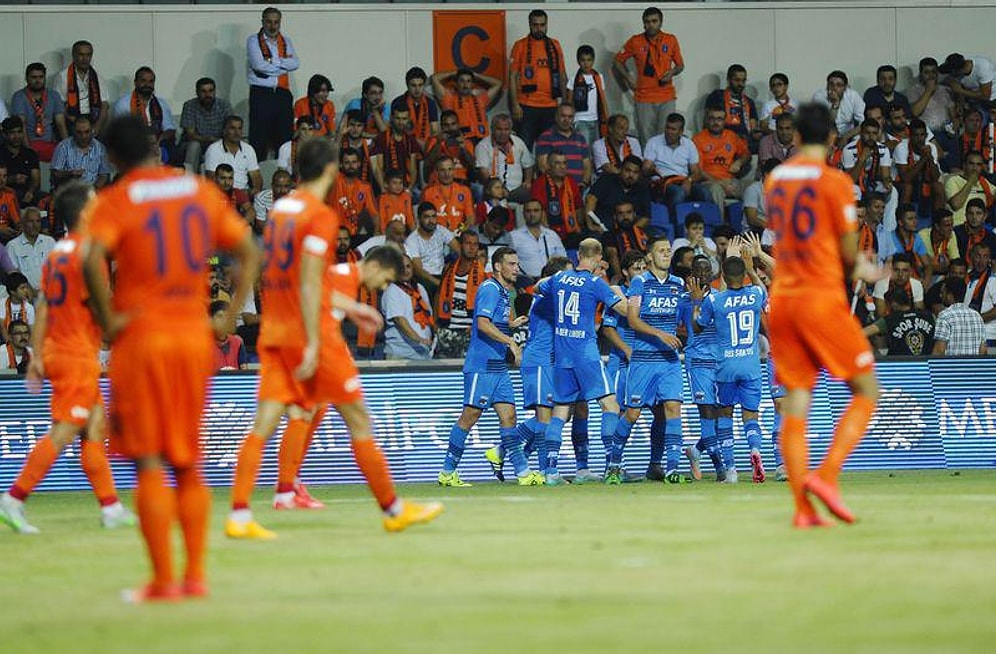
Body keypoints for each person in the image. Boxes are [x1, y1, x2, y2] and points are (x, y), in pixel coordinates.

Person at [82, 115, 259, 601]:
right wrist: (229, 315)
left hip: (141, 340)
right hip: (191, 340)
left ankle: (163, 582)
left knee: (149, 463)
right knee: (187, 462)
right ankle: (196, 577)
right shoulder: (194, 190)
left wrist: (109, 319)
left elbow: (88, 257)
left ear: (113, 158)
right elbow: (247, 247)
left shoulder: (115, 200)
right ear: (156, 146)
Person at [764, 102, 890, 528]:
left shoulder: (776, 179)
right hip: (820, 296)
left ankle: (802, 510)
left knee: (797, 403)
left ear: (795, 136)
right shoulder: (836, 183)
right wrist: (862, 268)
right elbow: (847, 248)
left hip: (782, 299)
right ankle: (828, 477)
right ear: (833, 139)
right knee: (866, 389)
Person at [1, 185, 134, 534]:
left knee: (93, 427)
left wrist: (36, 353)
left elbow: (44, 304)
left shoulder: (59, 253)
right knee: (64, 431)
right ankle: (13, 499)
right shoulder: (90, 254)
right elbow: (101, 307)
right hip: (75, 354)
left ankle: (111, 507)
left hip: (65, 351)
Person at [288, 246, 445, 527]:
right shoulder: (345, 275)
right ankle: (393, 509)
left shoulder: (343, 276)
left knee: (311, 414)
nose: (383, 286)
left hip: (321, 350)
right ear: (376, 267)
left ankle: (288, 486)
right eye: (385, 280)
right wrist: (355, 310)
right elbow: (309, 293)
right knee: (359, 422)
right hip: (324, 354)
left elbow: (320, 310)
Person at [438, 247, 541, 486]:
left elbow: (495, 321)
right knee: (470, 416)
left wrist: (511, 325)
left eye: (517, 264)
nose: (517, 269)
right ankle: (447, 472)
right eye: (512, 264)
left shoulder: (505, 293)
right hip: (482, 365)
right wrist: (510, 342)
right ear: (498, 266)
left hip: (497, 368)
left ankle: (524, 474)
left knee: (509, 417)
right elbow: (482, 324)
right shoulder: (489, 288)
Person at [536, 238, 627, 484]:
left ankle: (551, 472)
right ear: (598, 258)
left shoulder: (558, 279)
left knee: (561, 412)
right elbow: (624, 310)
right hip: (586, 354)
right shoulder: (596, 283)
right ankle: (613, 468)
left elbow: (537, 287)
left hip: (562, 356)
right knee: (611, 406)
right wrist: (623, 295)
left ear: (578, 256)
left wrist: (547, 281)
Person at [606, 236, 689, 483]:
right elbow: (632, 319)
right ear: (650, 256)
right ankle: (613, 465)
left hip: (669, 362)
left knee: (673, 409)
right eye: (661, 250)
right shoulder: (639, 283)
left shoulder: (678, 283)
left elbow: (687, 317)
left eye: (669, 251)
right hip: (643, 360)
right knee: (632, 414)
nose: (666, 254)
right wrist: (660, 334)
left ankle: (672, 469)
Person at [692, 254, 767, 483]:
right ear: (744, 275)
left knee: (725, 414)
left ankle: (731, 470)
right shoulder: (755, 293)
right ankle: (754, 450)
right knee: (750, 415)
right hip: (751, 365)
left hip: (725, 367)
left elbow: (697, 327)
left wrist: (696, 301)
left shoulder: (715, 301)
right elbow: (761, 288)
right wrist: (752, 271)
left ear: (722, 276)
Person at [614, 6, 684, 147]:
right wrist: (628, 79)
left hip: (666, 97)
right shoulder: (635, 41)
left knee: (668, 136)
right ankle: (648, 168)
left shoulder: (671, 40)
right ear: (643, 23)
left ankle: (664, 167)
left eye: (654, 21)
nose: (651, 25)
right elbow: (617, 61)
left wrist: (671, 73)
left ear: (661, 22)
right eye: (647, 21)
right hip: (644, 97)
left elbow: (680, 65)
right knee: (647, 138)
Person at [508, 9, 567, 149]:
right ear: (529, 25)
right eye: (535, 25)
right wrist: (515, 105)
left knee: (549, 149)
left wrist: (565, 103)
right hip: (526, 106)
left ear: (547, 25)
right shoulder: (520, 45)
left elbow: (562, 75)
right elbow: (512, 76)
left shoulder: (555, 45)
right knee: (524, 148)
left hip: (551, 106)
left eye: (542, 25)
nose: (539, 28)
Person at [246, 6, 299, 159]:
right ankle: (256, 179)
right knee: (259, 139)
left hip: (282, 94)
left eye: (276, 22)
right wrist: (282, 67)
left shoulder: (286, 41)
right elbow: (258, 65)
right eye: (268, 22)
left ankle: (284, 177)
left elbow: (295, 63)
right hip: (261, 94)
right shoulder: (253, 40)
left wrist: (271, 62)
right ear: (262, 22)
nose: (272, 26)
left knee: (284, 139)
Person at [435, 230, 487, 359]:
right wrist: (436, 325)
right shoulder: (448, 269)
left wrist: (476, 326)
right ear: (460, 245)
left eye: (475, 244)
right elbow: (438, 296)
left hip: (469, 331)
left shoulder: (483, 274)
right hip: (446, 330)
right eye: (468, 243)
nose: (471, 247)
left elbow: (486, 305)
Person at [112, 67, 177, 164]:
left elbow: (170, 129)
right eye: (143, 81)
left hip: (157, 144)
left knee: (172, 150)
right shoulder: (123, 103)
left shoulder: (161, 104)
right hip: (134, 144)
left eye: (151, 81)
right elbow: (121, 131)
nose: (147, 84)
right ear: (135, 82)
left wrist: (158, 141)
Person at [693, 106, 751, 207]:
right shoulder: (698, 139)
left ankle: (754, 221)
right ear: (707, 120)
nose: (716, 122)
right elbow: (699, 172)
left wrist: (739, 162)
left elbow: (747, 154)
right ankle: (718, 222)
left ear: (725, 121)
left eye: (719, 119)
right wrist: (720, 183)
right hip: (709, 182)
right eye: (712, 118)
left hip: (730, 181)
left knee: (755, 187)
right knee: (716, 189)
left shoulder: (731, 136)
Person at [11, 63, 68, 163]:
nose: (37, 81)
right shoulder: (19, 96)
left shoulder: (54, 95)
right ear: (26, 78)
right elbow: (21, 124)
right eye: (33, 77)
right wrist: (27, 150)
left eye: (41, 77)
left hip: (49, 143)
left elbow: (60, 124)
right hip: (29, 143)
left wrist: (68, 148)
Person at [431, 68, 502, 146]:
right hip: (461, 142)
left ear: (472, 84)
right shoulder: (449, 99)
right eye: (462, 81)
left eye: (468, 81)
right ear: (456, 83)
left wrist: (475, 75)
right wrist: (455, 73)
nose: (465, 84)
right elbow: (435, 78)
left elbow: (498, 83)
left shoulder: (480, 99)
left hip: (482, 141)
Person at [383, 254, 435, 361]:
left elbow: (429, 315)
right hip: (401, 354)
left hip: (423, 352)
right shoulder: (392, 291)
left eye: (408, 266)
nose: (405, 270)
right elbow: (400, 320)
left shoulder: (420, 288)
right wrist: (419, 339)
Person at [474, 114, 535, 203]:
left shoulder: (518, 142)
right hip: (493, 190)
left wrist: (527, 181)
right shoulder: (483, 146)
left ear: (511, 130)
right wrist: (500, 190)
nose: (503, 133)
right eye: (499, 129)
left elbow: (528, 164)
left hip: (517, 190)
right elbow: (484, 173)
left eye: (506, 129)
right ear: (492, 129)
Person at [179, 77, 232, 173]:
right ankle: (191, 181)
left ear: (215, 91)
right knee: (194, 146)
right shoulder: (189, 105)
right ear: (197, 92)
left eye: (211, 91)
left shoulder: (224, 105)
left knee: (229, 144)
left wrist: (217, 142)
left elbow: (231, 129)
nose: (208, 95)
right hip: (194, 143)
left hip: (218, 142)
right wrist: (210, 139)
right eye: (203, 91)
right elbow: (191, 135)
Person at [586, 155, 651, 232]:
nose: (631, 175)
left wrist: (632, 233)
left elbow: (646, 217)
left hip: (630, 230)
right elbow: (590, 200)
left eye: (635, 172)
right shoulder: (606, 180)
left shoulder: (642, 189)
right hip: (602, 228)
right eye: (627, 170)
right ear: (621, 170)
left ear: (639, 175)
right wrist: (590, 225)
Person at [56, 40, 109, 135]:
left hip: (93, 118)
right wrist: (69, 117)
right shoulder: (63, 76)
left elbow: (104, 105)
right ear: (73, 55)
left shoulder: (97, 77)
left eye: (88, 55)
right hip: (72, 118)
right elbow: (59, 105)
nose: (85, 59)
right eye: (81, 54)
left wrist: (97, 126)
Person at [535, 103, 593, 188]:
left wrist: (584, 183)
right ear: (556, 117)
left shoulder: (580, 138)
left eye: (570, 117)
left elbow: (587, 165)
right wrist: (562, 185)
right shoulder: (546, 137)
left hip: (579, 188)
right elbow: (543, 166)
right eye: (563, 116)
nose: (566, 120)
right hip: (557, 188)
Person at [404, 201, 458, 293]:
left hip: (443, 274)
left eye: (433, 216)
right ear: (419, 219)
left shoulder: (441, 230)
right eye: (427, 217)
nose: (431, 221)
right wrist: (438, 283)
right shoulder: (412, 240)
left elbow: (459, 250)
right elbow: (419, 270)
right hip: (425, 278)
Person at [862, 289, 935, 356]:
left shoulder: (889, 319)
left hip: (898, 365)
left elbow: (861, 333)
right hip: (926, 364)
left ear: (894, 304)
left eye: (887, 304)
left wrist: (876, 354)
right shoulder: (929, 316)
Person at [530, 151, 582, 244]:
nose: (562, 167)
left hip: (571, 232)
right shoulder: (539, 184)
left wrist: (578, 228)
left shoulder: (571, 182)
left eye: (564, 163)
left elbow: (578, 208)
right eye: (557, 163)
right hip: (550, 233)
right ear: (549, 165)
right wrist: (549, 234)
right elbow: (539, 213)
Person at [204, 115, 262, 198]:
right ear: (224, 131)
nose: (237, 132)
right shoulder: (213, 150)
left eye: (239, 128)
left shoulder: (248, 149)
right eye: (232, 128)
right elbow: (211, 179)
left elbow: (256, 177)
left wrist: (255, 191)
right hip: (223, 195)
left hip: (245, 195)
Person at [705, 64, 761, 149]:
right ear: (728, 80)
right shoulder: (717, 96)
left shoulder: (749, 102)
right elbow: (708, 122)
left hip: (745, 140)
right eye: (737, 80)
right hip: (723, 138)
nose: (741, 84)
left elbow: (753, 127)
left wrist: (756, 133)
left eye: (743, 81)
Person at [328, 147, 378, 239]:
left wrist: (376, 235)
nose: (351, 166)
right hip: (332, 234)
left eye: (354, 162)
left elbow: (374, 215)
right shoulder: (334, 180)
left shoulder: (365, 187)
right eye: (347, 163)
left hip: (353, 235)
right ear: (341, 165)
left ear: (359, 164)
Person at [510, 199, 567, 279]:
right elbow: (509, 264)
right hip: (525, 283)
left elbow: (563, 261)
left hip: (551, 281)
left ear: (542, 213)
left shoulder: (552, 235)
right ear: (523, 214)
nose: (532, 214)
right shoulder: (513, 236)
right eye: (528, 211)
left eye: (536, 210)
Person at [50, 114, 110, 191]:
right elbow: (55, 173)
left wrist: (94, 190)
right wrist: (69, 174)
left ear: (92, 130)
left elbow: (104, 175)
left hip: (93, 193)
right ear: (74, 131)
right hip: (68, 193)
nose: (83, 136)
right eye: (79, 132)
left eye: (87, 132)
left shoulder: (100, 148)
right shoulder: (63, 146)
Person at [371, 103, 420, 193]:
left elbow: (413, 169)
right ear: (392, 118)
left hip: (405, 185)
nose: (401, 122)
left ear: (409, 119)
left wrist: (409, 189)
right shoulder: (382, 138)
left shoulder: (411, 140)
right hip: (387, 186)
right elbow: (378, 167)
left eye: (404, 119)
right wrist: (383, 188)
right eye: (398, 118)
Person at [5, 207, 55, 291]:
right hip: (27, 296)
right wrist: (32, 293)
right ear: (23, 223)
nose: (35, 225)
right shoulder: (12, 246)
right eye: (30, 221)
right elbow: (15, 276)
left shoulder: (49, 242)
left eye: (38, 221)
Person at [568, 45, 609, 147]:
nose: (586, 63)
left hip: (596, 120)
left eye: (589, 60)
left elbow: (603, 99)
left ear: (593, 60)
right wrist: (569, 121)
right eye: (583, 60)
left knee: (596, 150)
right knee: (585, 150)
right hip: (580, 119)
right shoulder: (574, 79)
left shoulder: (598, 77)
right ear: (578, 61)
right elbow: (569, 102)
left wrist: (607, 117)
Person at [423, 110, 475, 186]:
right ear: (441, 126)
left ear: (458, 124)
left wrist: (463, 147)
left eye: (453, 124)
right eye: (446, 125)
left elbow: (473, 166)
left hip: (461, 183)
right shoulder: (433, 140)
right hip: (438, 182)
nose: (450, 128)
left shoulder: (466, 142)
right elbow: (427, 165)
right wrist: (439, 143)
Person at [422, 158, 474, 233]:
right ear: (436, 172)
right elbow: (426, 220)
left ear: (454, 171)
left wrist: (463, 230)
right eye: (442, 170)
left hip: (460, 234)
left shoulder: (465, 191)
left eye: (450, 169)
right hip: (436, 235)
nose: (447, 174)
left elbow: (470, 218)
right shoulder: (428, 192)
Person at [813, 70, 865, 144]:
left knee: (859, 138)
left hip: (848, 135)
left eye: (839, 85)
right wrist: (835, 105)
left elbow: (863, 123)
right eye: (831, 84)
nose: (834, 88)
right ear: (827, 85)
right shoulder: (819, 97)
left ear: (845, 88)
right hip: (825, 134)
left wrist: (846, 137)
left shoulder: (853, 96)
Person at [393, 67, 440, 149]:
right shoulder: (398, 102)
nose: (417, 89)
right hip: (404, 146)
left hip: (425, 147)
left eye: (420, 85)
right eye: (413, 85)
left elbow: (435, 130)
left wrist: (429, 146)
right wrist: (416, 142)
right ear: (407, 85)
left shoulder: (430, 103)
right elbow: (396, 129)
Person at [0, 118, 41, 207]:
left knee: (47, 199)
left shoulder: (30, 154)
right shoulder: (1, 153)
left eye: (19, 132)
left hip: (28, 194)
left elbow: (36, 179)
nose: (16, 136)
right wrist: (12, 179)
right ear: (4, 135)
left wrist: (30, 192)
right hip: (4, 195)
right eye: (12, 133)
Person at [965, 242, 996, 350]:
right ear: (971, 257)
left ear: (989, 259)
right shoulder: (968, 279)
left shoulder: (993, 280)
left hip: (989, 337)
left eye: (985, 256)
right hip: (970, 336)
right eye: (978, 256)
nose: (981, 261)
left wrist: (976, 320)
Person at [593, 114, 643, 178]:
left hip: (631, 180)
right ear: (610, 129)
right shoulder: (598, 144)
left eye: (626, 129)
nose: (624, 132)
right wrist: (626, 176)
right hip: (609, 179)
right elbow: (607, 167)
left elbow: (638, 164)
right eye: (621, 128)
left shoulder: (633, 142)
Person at [293, 74, 336, 138]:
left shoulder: (329, 105)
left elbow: (332, 132)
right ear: (313, 91)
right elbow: (295, 132)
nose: (326, 94)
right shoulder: (300, 105)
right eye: (323, 91)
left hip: (323, 143)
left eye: (327, 91)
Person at [210, 300, 247, 371]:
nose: (224, 320)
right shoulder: (202, 344)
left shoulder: (237, 342)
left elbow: (244, 371)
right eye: (220, 316)